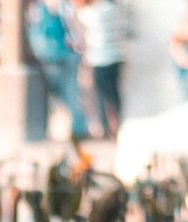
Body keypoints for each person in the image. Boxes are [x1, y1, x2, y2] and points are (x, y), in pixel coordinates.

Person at [27, 0, 89, 140]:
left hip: (56, 56)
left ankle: (77, 129)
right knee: (68, 93)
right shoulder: (61, 7)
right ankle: (76, 128)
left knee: (68, 94)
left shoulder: (43, 9)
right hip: (59, 54)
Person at [74, 0, 127, 139]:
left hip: (100, 58)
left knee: (103, 94)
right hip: (116, 56)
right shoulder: (114, 9)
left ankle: (107, 127)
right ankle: (115, 124)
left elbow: (81, 15)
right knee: (113, 93)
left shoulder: (95, 12)